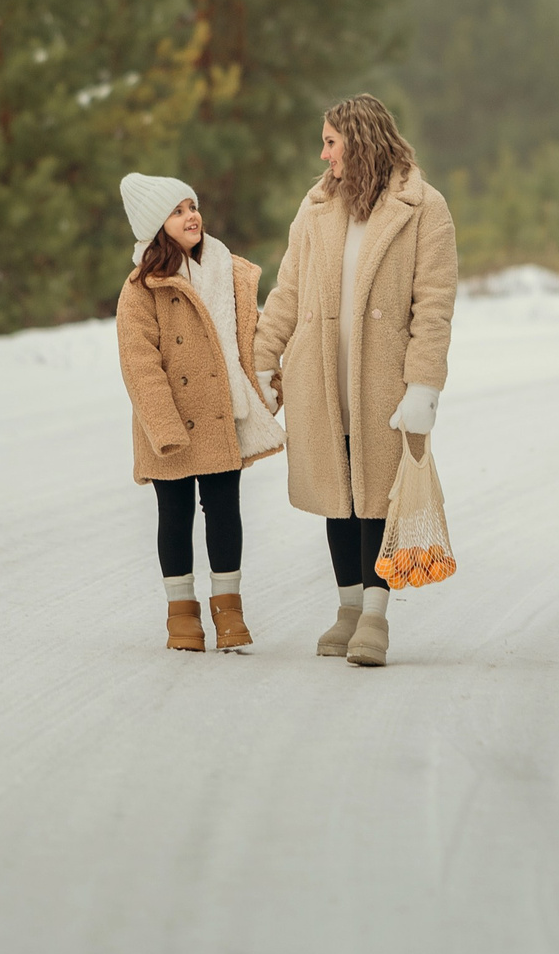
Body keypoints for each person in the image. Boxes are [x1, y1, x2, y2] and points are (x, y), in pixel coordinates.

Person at [255, 95, 458, 668]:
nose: (323, 154)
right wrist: (264, 361)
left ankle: (374, 616)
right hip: (319, 375)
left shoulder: (423, 208)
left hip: (384, 379)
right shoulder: (317, 206)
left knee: (376, 496)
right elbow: (287, 292)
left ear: (360, 139)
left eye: (330, 141)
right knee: (337, 495)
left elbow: (434, 305)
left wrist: (424, 385)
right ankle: (346, 608)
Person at [115, 173, 285, 652]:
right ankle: (181, 616)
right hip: (167, 422)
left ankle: (228, 610)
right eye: (178, 210)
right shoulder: (140, 290)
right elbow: (140, 367)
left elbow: (247, 337)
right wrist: (164, 426)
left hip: (219, 414)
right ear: (157, 227)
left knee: (224, 511)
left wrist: (267, 384)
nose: (192, 216)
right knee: (175, 515)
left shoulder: (226, 270)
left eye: (193, 205)